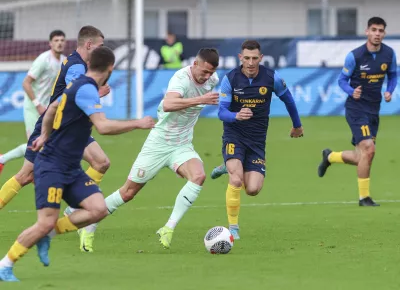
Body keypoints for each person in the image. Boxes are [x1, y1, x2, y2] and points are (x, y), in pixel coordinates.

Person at [0, 46, 155, 282]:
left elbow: (52, 108)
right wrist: (138, 123)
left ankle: (48, 234)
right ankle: (5, 264)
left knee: (98, 209)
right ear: (110, 69)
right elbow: (102, 127)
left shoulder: (80, 84)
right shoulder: (86, 89)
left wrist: (43, 135)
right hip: (52, 166)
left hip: (70, 167)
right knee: (44, 222)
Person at [79, 48, 220, 250]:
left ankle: (168, 228)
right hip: (159, 143)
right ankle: (89, 226)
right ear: (195, 64)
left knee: (198, 176)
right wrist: (201, 100)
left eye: (211, 72)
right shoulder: (181, 77)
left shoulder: (212, 80)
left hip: (182, 144)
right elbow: (169, 103)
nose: (207, 76)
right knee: (128, 193)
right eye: (204, 71)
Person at [0, 26, 112, 250]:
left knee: (101, 162)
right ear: (89, 45)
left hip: (72, 128)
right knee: (25, 176)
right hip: (56, 129)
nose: (101, 50)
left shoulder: (76, 62)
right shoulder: (77, 66)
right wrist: (97, 92)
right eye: (99, 46)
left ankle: (74, 209)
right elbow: (69, 98)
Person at [210, 40, 303, 240]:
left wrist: (297, 125)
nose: (251, 63)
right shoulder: (231, 79)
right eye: (247, 58)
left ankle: (229, 165)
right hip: (234, 135)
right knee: (236, 179)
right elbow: (221, 112)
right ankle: (233, 228)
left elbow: (289, 100)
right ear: (240, 58)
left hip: (257, 141)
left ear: (260, 58)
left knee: (252, 189)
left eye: (254, 58)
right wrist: (236, 116)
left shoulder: (271, 78)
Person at [318, 17, 397, 207]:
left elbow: (393, 75)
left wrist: (389, 91)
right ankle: (364, 198)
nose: (377, 34)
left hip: (373, 109)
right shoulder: (355, 56)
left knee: (363, 156)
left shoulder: (389, 54)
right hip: (356, 109)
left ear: (384, 33)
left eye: (381, 31)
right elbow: (341, 80)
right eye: (374, 30)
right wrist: (351, 91)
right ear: (367, 32)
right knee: (369, 149)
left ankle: (330, 156)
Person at [0, 30, 66, 171]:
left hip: (48, 109)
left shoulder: (64, 61)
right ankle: (3, 160)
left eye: (62, 40)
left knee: (46, 144)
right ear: (50, 43)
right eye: (56, 40)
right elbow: (26, 83)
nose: (59, 43)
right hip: (33, 107)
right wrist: (37, 104)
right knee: (35, 144)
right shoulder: (43, 60)